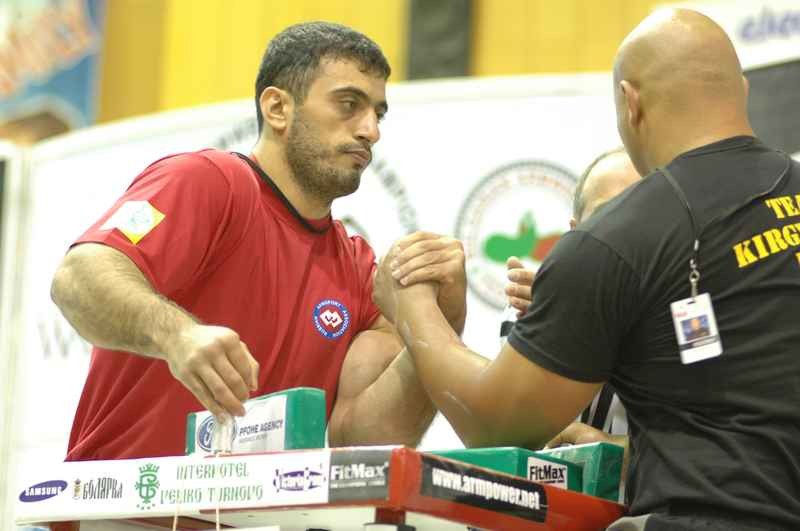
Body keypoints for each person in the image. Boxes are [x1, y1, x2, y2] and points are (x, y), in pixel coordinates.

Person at [374, 8, 800, 530]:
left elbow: (495, 423)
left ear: (630, 101)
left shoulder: (621, 237)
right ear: (742, 93)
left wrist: (412, 306)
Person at [50, 22, 466, 461]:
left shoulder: (362, 272)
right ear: (277, 108)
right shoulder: (208, 181)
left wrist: (441, 325)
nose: (370, 130)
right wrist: (178, 335)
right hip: (125, 516)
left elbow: (362, 440)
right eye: (349, 104)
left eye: (377, 114)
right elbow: (76, 279)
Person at [504, 147, 639, 450]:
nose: (627, 231)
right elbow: (509, 438)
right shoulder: (531, 305)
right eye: (608, 214)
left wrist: (609, 447)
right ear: (575, 233)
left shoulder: (696, 306)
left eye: (642, 214)